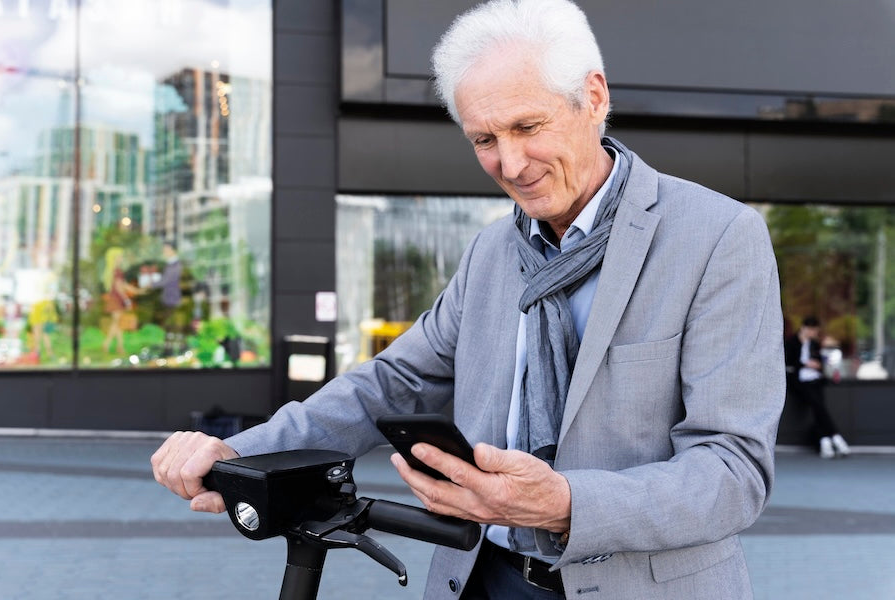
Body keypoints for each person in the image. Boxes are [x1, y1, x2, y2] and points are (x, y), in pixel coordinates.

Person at [152, 1, 785, 598]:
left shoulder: (718, 237)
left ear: (594, 97)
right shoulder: (492, 250)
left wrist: (563, 504)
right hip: (482, 578)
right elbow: (393, 383)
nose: (510, 163)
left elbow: (733, 472)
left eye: (527, 127)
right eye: (484, 140)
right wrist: (245, 452)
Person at [784, 316, 850, 459]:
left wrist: (818, 364)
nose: (813, 333)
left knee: (818, 408)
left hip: (815, 380)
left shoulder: (814, 344)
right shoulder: (792, 342)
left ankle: (825, 441)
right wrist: (806, 364)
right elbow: (788, 362)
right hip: (800, 382)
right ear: (804, 328)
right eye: (812, 330)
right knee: (819, 406)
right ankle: (835, 437)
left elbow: (822, 361)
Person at [101, 247, 140, 356]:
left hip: (114, 299)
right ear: (115, 258)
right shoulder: (117, 271)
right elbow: (119, 287)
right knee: (117, 324)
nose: (121, 258)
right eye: (120, 257)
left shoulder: (113, 271)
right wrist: (126, 299)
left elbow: (123, 285)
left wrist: (136, 290)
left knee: (118, 324)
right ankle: (107, 344)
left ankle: (119, 347)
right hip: (117, 300)